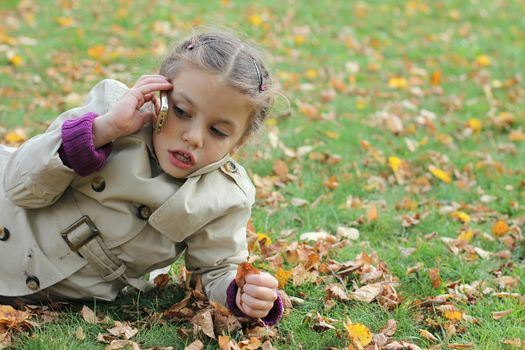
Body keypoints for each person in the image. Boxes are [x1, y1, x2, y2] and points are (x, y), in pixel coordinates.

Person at [0, 30, 283, 325]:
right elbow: (20, 187)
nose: (193, 137)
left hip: (47, 286)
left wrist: (243, 293)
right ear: (158, 94)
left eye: (218, 132)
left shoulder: (222, 195)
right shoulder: (110, 112)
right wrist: (103, 130)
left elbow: (219, 268)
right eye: (182, 111)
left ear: (239, 141)